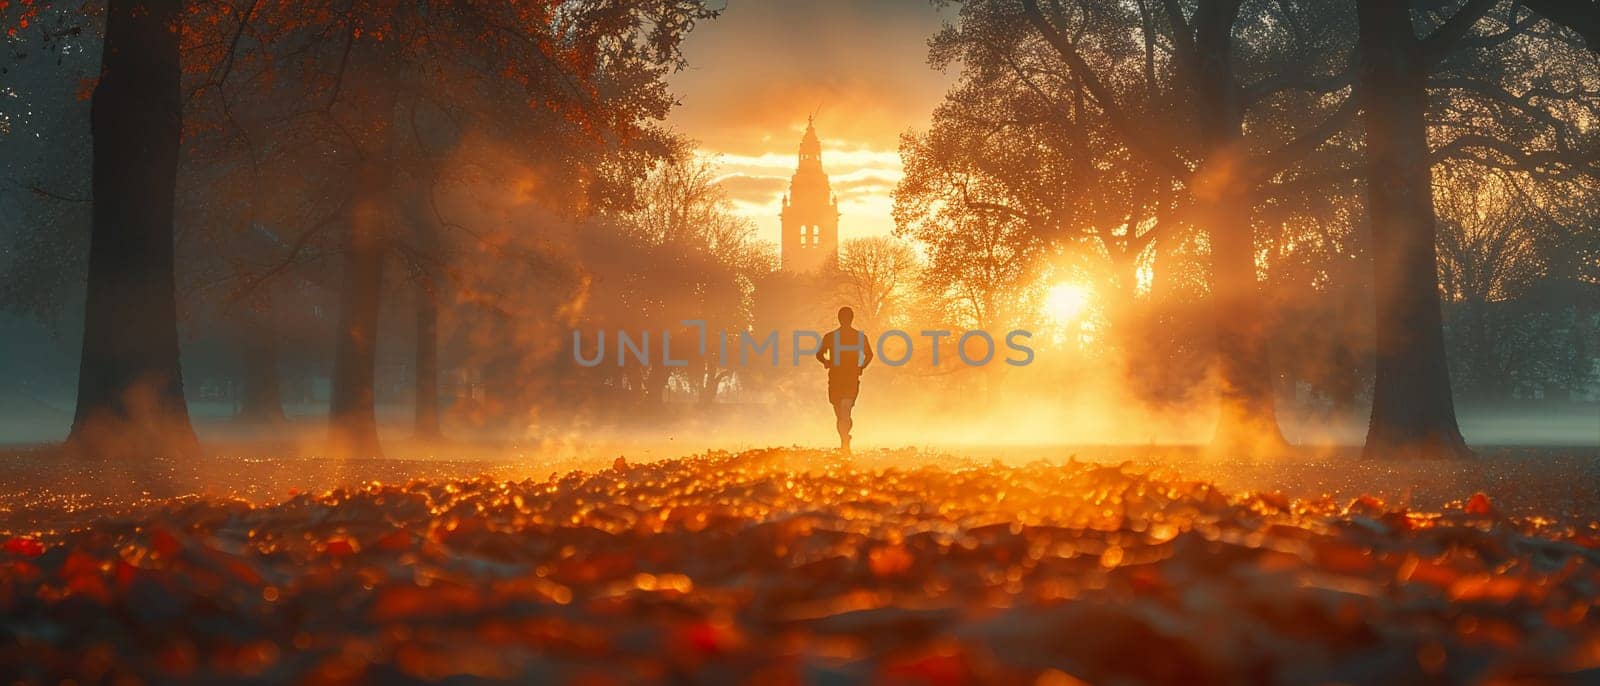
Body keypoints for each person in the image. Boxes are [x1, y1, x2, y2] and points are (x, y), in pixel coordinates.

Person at [815, 306, 873, 454]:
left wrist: (827, 362)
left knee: (844, 411)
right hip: (843, 378)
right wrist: (861, 367)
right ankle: (844, 441)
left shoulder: (831, 337)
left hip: (843, 379)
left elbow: (819, 355)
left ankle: (845, 443)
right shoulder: (857, 337)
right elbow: (869, 355)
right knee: (841, 414)